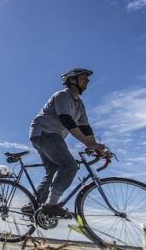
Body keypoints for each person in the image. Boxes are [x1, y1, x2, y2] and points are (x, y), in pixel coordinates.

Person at [28, 68, 107, 217]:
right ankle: (51, 205)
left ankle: (33, 205)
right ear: (72, 80)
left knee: (52, 171)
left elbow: (85, 128)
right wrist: (89, 144)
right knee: (69, 165)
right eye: (84, 78)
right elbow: (67, 121)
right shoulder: (62, 95)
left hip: (51, 135)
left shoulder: (79, 104)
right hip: (44, 133)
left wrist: (95, 145)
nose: (88, 81)